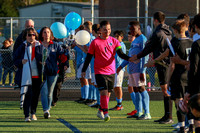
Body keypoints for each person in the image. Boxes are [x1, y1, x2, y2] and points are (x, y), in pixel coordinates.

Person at [81, 20, 131, 122]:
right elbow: (89, 57)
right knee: (103, 92)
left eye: (109, 29)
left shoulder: (115, 41)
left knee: (108, 93)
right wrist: (84, 70)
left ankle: (100, 110)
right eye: (105, 29)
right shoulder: (95, 42)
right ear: (100, 30)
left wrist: (130, 58)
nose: (107, 31)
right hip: (99, 71)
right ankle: (106, 112)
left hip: (111, 72)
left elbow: (120, 53)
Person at [130, 11, 173, 124]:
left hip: (163, 63)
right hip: (166, 62)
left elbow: (148, 48)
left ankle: (169, 116)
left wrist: (137, 56)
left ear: (155, 20)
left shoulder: (158, 32)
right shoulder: (168, 31)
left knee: (165, 90)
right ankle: (167, 115)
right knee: (165, 89)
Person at [118, 21, 151, 120]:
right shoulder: (135, 39)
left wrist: (142, 70)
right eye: (130, 29)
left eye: (133, 29)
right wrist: (121, 66)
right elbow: (130, 56)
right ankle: (139, 111)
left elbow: (145, 56)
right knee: (136, 90)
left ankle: (147, 113)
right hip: (132, 70)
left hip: (139, 70)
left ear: (139, 29)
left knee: (141, 89)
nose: (130, 31)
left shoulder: (143, 39)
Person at [36, 26, 68, 119]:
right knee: (44, 91)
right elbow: (35, 56)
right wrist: (40, 62)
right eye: (44, 32)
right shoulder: (38, 45)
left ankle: (48, 109)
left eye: (48, 32)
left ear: (51, 34)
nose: (46, 34)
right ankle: (45, 110)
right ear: (42, 34)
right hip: (41, 73)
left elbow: (62, 55)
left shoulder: (55, 45)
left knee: (50, 93)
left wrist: (65, 62)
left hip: (53, 72)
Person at [168, 20, 193, 133]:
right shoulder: (192, 42)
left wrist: (167, 80)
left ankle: (182, 128)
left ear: (175, 31)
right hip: (190, 76)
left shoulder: (176, 44)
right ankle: (192, 126)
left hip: (179, 76)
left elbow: (172, 65)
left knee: (179, 103)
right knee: (190, 102)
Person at [13, 27, 40, 122]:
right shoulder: (22, 46)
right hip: (25, 75)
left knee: (35, 96)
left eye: (33, 35)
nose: (31, 37)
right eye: (29, 35)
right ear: (25, 36)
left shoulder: (38, 45)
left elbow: (43, 58)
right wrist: (21, 61)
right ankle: (26, 115)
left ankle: (33, 113)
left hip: (36, 75)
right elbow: (15, 59)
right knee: (27, 95)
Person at [184, 13, 200, 133]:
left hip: (198, 85)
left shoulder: (197, 44)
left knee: (198, 114)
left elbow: (193, 68)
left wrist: (189, 90)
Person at [109, 30, 126, 111]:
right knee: (115, 86)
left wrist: (118, 68)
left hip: (119, 68)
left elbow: (120, 59)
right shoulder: (117, 45)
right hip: (115, 68)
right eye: (114, 36)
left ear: (121, 37)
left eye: (117, 36)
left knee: (118, 86)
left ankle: (120, 104)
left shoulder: (121, 45)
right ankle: (118, 103)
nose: (115, 38)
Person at [52, 40, 69, 107]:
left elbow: (66, 57)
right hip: (52, 67)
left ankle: (55, 100)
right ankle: (50, 100)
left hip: (60, 68)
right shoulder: (50, 45)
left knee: (58, 85)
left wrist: (66, 65)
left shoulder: (63, 47)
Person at [89, 24, 101, 108]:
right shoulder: (94, 40)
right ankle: (98, 101)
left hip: (99, 66)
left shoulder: (97, 41)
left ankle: (100, 102)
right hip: (94, 66)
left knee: (99, 85)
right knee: (96, 84)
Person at [126, 32, 137, 116]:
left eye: (131, 36)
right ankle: (136, 107)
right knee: (130, 88)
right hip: (131, 71)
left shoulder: (137, 46)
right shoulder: (131, 47)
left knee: (138, 90)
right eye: (128, 37)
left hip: (136, 71)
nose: (129, 38)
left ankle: (139, 108)